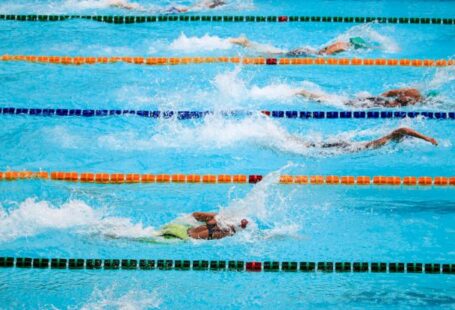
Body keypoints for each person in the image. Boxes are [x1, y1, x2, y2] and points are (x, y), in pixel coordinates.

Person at [288, 127, 437, 152]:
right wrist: (427, 138)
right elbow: (404, 129)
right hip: (350, 148)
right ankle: (289, 139)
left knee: (312, 145)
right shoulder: (392, 136)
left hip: (350, 146)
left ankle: (291, 139)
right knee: (309, 147)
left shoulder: (389, 139)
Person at [229, 36, 370, 56]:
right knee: (275, 55)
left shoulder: (341, 43)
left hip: (306, 50)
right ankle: (245, 43)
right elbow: (325, 54)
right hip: (306, 53)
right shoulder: (341, 47)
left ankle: (246, 43)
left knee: (276, 52)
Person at [296, 87, 437, 108]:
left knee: (342, 101)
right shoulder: (411, 95)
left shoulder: (411, 96)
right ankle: (306, 93)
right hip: (374, 102)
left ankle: (307, 93)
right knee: (343, 103)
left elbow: (389, 93)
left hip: (374, 101)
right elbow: (389, 93)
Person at [158, 212, 249, 240]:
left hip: (180, 234)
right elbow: (197, 215)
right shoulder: (225, 228)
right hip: (182, 234)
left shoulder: (225, 230)